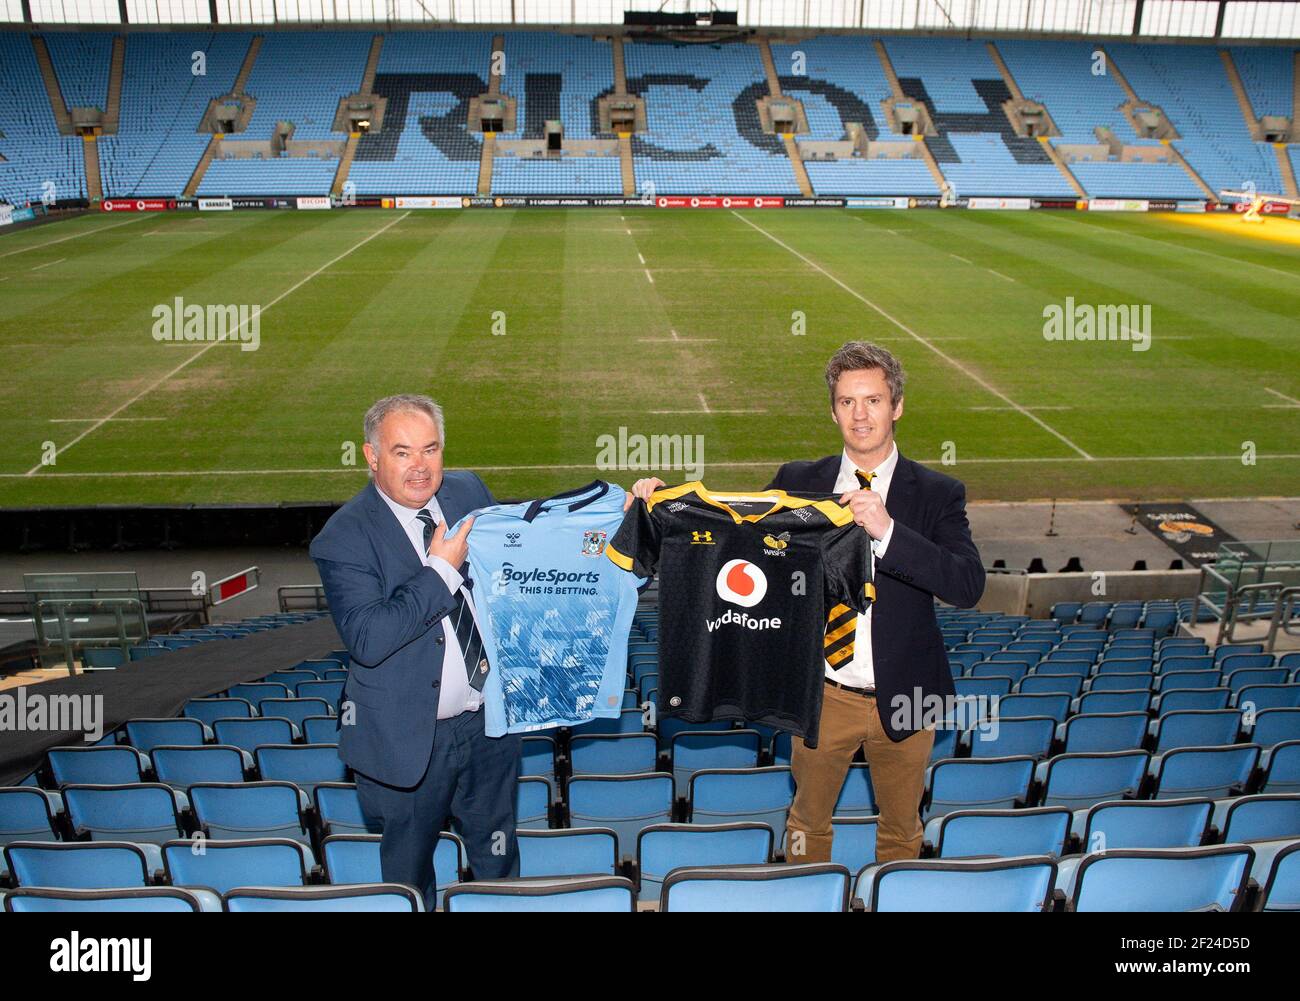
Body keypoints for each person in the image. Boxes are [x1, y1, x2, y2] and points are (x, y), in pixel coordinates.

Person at [631, 341, 984, 863]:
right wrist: (659, 511)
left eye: (873, 400)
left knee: (903, 830)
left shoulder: (937, 492)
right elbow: (735, 538)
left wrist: (887, 531)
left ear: (898, 406)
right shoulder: (800, 481)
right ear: (833, 409)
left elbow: (967, 584)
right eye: (847, 402)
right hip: (823, 692)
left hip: (911, 692)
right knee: (806, 824)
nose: (860, 415)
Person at [309, 394, 518, 910]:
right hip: (405, 738)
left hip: (488, 722)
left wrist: (619, 515)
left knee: (499, 859)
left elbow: (523, 551)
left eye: (430, 449)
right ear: (371, 457)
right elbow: (368, 639)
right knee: (408, 873)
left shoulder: (468, 489)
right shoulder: (343, 537)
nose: (421, 467)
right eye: (403, 453)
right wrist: (441, 571)